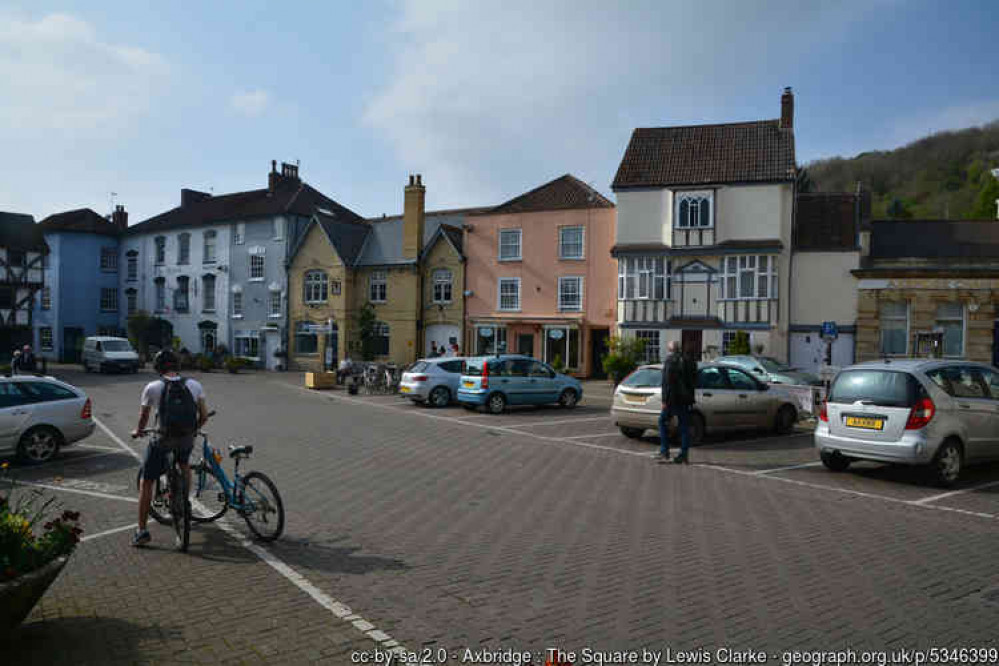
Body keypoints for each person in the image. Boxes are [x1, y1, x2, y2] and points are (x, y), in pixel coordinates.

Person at [130, 349, 209, 547]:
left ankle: (142, 532)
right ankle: (185, 500)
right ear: (177, 365)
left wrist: (138, 431)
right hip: (185, 439)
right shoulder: (194, 384)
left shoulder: (152, 387)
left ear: (158, 367)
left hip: (162, 439)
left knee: (147, 481)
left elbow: (144, 417)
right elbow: (204, 416)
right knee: (184, 465)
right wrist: (193, 430)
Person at [657, 340, 698, 465]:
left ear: (670, 350)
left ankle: (665, 451)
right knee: (684, 427)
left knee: (662, 422)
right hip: (685, 399)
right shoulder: (690, 361)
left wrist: (664, 400)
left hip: (672, 399)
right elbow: (694, 381)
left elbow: (667, 382)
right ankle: (683, 455)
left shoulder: (670, 361)